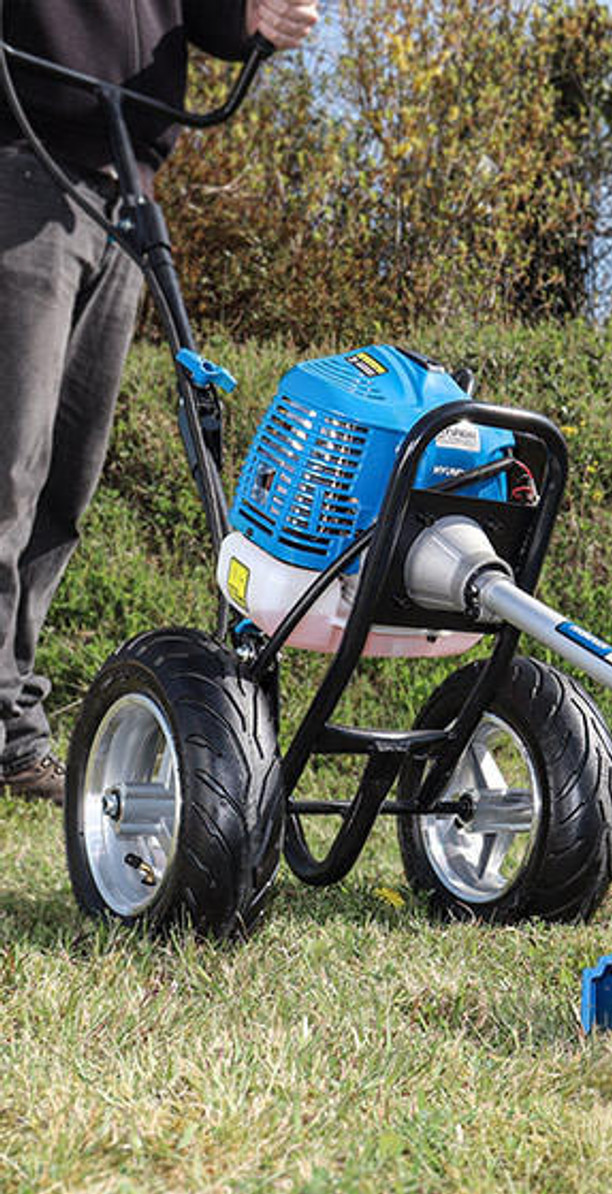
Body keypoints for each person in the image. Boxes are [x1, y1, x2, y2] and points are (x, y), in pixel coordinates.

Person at [0, 0, 318, 804]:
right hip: (24, 165)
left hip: (125, 197)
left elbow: (203, 15)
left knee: (65, 485)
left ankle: (10, 730)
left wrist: (251, 19)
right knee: (9, 469)